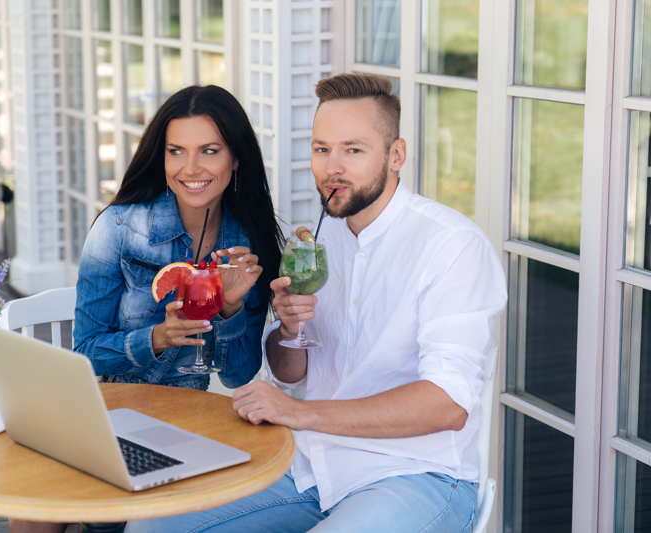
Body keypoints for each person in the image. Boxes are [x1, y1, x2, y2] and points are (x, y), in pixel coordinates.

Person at [125, 73, 507, 533]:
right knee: (152, 527)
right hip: (311, 464)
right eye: (322, 149)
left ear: (396, 155)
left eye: (353, 149)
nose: (332, 167)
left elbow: (447, 404)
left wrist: (299, 414)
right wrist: (288, 332)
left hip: (414, 474)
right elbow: (290, 374)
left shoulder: (451, 246)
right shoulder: (316, 240)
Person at [9, 85, 282, 533]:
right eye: (176, 151)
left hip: (198, 424)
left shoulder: (246, 243)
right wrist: (156, 337)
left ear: (236, 160)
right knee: (39, 497)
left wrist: (231, 309)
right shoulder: (118, 227)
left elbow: (237, 374)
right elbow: (87, 351)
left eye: (209, 151)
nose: (190, 169)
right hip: (114, 414)